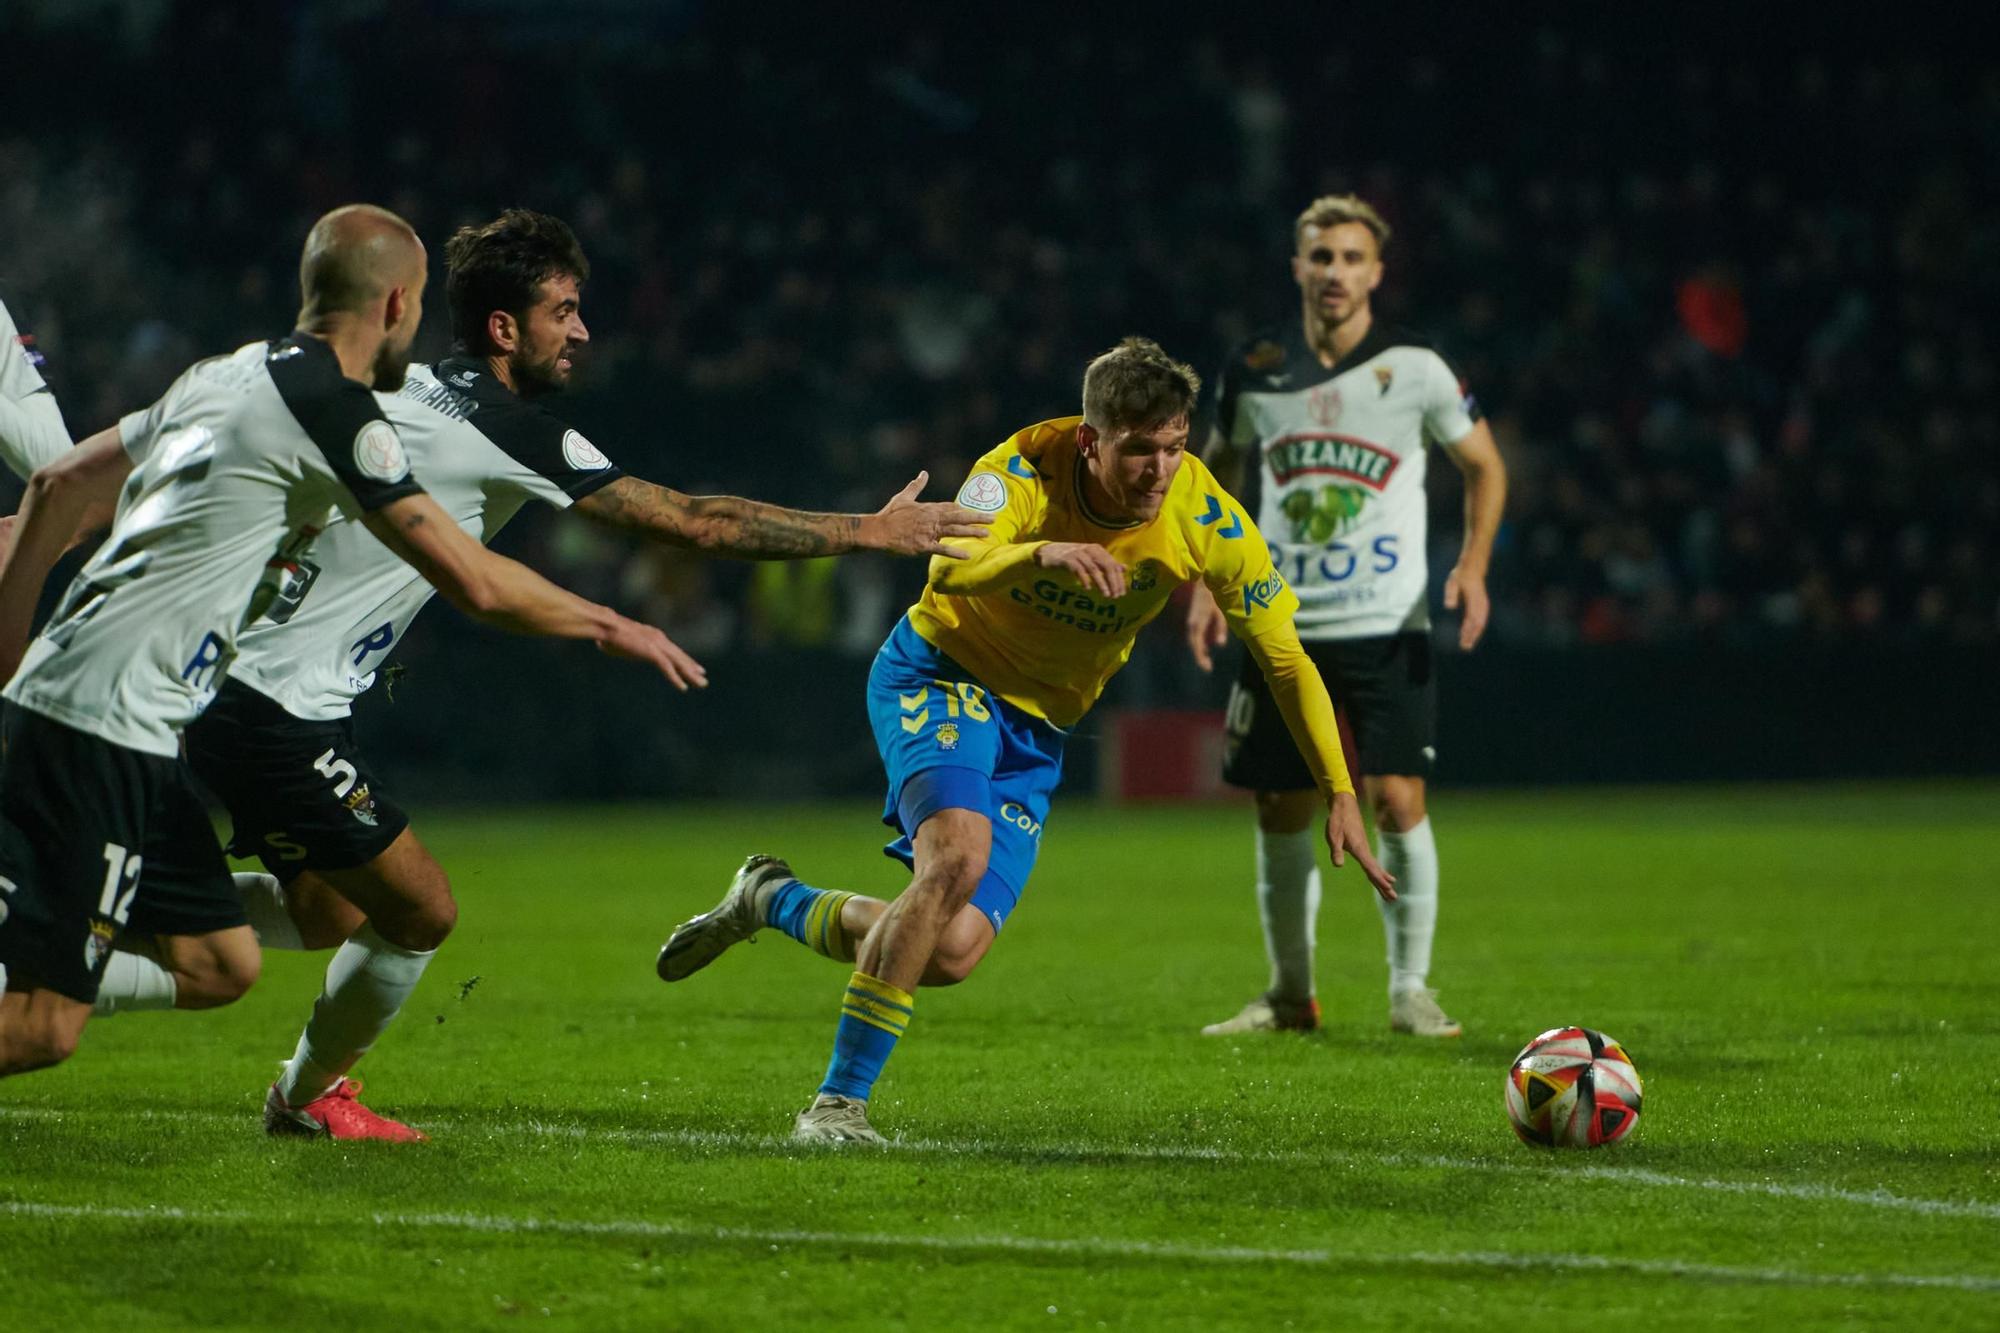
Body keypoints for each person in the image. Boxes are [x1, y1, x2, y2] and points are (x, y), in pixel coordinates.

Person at [16, 209, 989, 1140]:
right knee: (421, 908)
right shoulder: (498, 426)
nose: (581, 333)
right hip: (267, 706)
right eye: (563, 312)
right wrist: (866, 530)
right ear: (501, 324)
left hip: (237, 688)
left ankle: (103, 912)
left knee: (321, 914)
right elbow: (692, 521)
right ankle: (306, 1096)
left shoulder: (371, 391)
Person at [0, 205, 696, 1079]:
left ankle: (44, 926)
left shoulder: (225, 373)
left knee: (226, 964)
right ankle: (51, 957)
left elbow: (60, 480)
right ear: (397, 304)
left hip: (130, 714)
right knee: (42, 1030)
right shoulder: (342, 416)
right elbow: (475, 581)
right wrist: (610, 622)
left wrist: (11, 645)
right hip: (106, 719)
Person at [657, 337, 1395, 1144]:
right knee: (957, 860)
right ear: (1091, 439)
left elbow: (1285, 657)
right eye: (1139, 450)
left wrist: (1341, 789)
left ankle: (769, 898)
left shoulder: (1204, 512)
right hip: (941, 673)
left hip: (1037, 727)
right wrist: (1040, 551)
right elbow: (947, 572)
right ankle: (837, 1105)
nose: (1159, 470)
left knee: (950, 949)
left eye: (1175, 448)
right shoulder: (1016, 470)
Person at [1187, 194, 1506, 1040]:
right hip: (1279, 620)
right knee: (1279, 810)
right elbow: (1208, 481)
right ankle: (1292, 995)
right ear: (1297, 266)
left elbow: (1485, 465)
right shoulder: (1254, 366)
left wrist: (1471, 566)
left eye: (1351, 258)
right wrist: (1201, 584)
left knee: (1397, 800)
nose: (1335, 273)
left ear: (1377, 272)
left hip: (1388, 620)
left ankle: (1411, 989)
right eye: (1321, 257)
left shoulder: (1419, 370)